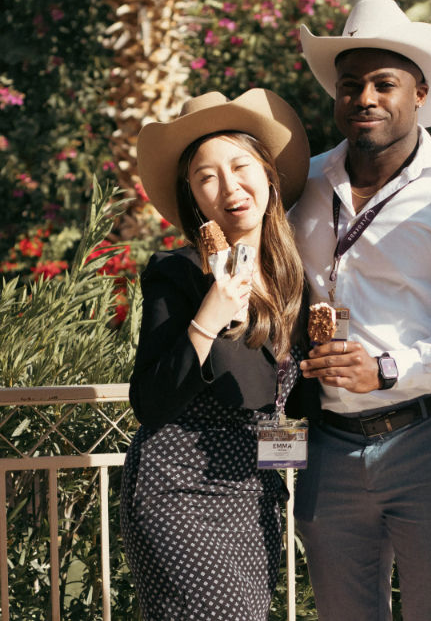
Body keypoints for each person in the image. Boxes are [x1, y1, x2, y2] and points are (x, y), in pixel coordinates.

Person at [287, 0, 431, 620]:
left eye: (384, 83)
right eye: (350, 84)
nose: (365, 97)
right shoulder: (299, 186)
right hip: (327, 446)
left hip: (428, 440)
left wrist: (387, 367)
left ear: (419, 93)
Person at [120, 88, 310, 620]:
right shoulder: (176, 273)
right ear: (194, 198)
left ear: (268, 172)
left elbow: (301, 399)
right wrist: (209, 314)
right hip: (179, 490)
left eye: (240, 165)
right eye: (207, 177)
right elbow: (150, 402)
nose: (229, 187)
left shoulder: (294, 281)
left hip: (255, 496)